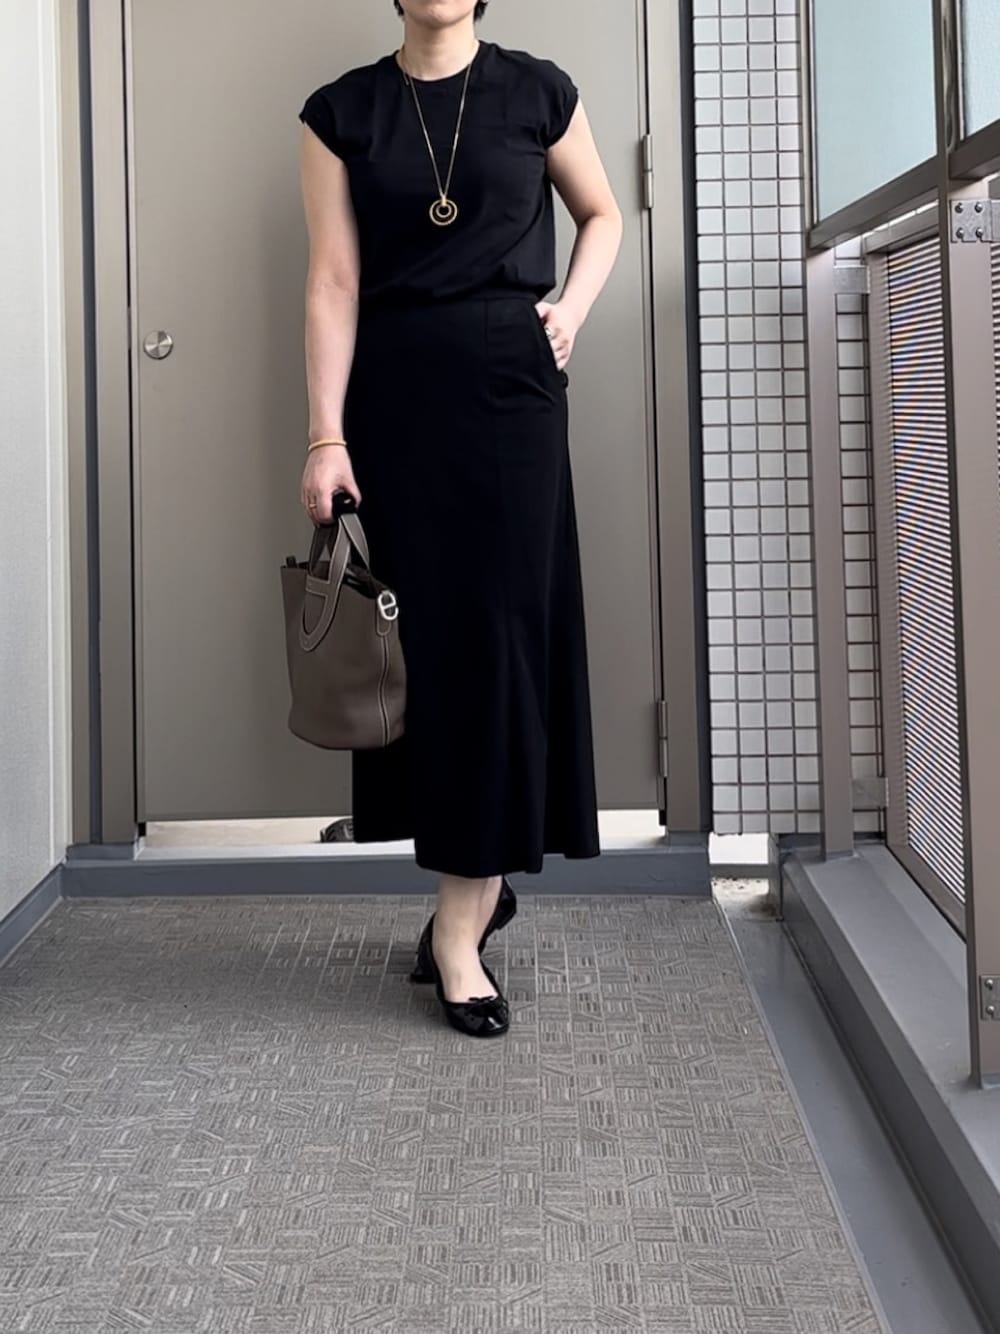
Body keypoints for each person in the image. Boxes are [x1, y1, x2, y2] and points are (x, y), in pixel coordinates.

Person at [297, 0, 622, 1038]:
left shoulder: (537, 90)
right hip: (395, 400)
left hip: (513, 394)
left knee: (502, 643)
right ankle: (476, 878)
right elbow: (333, 279)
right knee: (422, 651)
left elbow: (603, 215)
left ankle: (456, 927)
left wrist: (569, 310)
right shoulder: (340, 112)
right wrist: (324, 436)